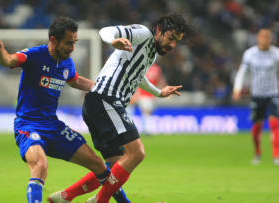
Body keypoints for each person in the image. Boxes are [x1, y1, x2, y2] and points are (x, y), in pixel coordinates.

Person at [52, 14, 196, 203]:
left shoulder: (151, 53)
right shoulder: (143, 34)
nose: (172, 45)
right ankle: (99, 201)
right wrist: (113, 40)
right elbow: (105, 31)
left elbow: (139, 76)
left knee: (115, 167)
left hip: (98, 103)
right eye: (171, 38)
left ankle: (64, 197)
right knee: (136, 153)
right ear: (159, 31)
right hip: (107, 98)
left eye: (176, 42)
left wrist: (159, 92)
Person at [0, 17, 111, 203]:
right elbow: (9, 60)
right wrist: (0, 51)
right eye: (68, 43)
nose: (72, 48)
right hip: (28, 126)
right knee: (40, 165)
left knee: (98, 164)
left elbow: (74, 80)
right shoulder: (35, 55)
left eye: (74, 42)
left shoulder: (66, 62)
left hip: (53, 126)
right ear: (53, 40)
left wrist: (102, 89)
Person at [232, 28, 279, 166]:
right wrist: (237, 88)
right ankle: (257, 152)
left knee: (274, 124)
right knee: (257, 127)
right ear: (258, 38)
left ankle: (276, 155)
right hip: (256, 95)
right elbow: (242, 72)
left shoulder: (276, 54)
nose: (265, 40)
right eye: (263, 37)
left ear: (271, 39)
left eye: (268, 37)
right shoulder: (250, 54)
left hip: (273, 94)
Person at [134, 63, 166, 134]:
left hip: (152, 95)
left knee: (148, 112)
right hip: (144, 95)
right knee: (146, 111)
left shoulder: (153, 68)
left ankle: (146, 128)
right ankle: (146, 129)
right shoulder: (149, 67)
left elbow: (159, 80)